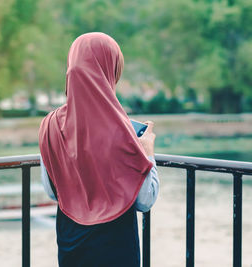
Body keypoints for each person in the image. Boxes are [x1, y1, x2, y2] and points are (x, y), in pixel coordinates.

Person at [38, 32, 159, 267]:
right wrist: (147, 151)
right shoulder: (126, 132)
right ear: (109, 73)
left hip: (70, 245)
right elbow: (145, 200)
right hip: (116, 249)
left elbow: (53, 192)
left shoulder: (50, 125)